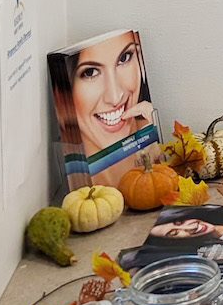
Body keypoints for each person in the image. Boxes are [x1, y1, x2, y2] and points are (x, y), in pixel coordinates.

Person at [50, 29, 160, 191]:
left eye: (124, 58)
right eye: (90, 72)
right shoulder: (82, 187)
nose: (115, 97)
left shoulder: (150, 142)